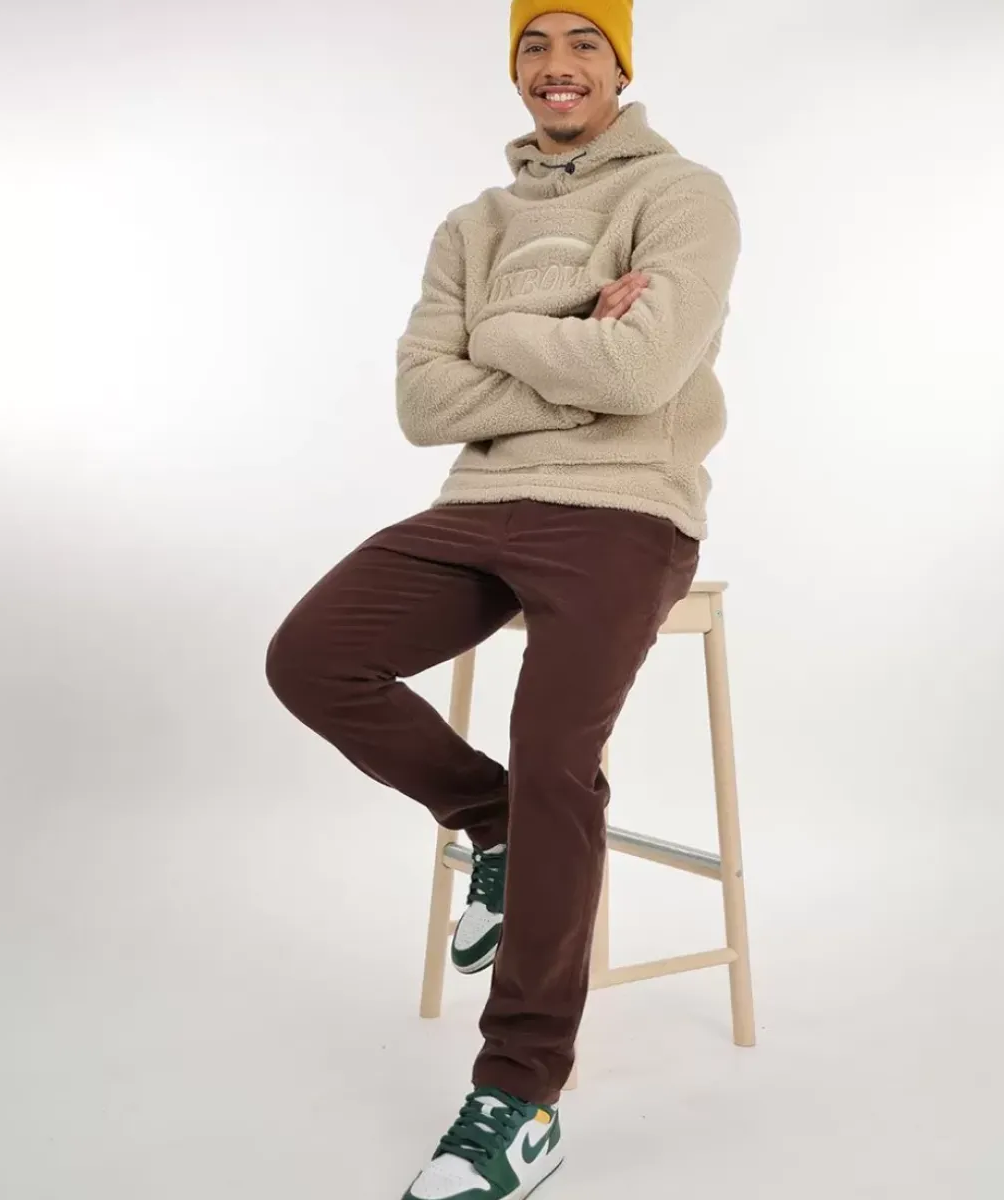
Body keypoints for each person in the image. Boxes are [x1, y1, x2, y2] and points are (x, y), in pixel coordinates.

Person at [265, 2, 740, 1195]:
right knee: (310, 658)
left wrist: (498, 334)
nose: (556, 66)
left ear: (620, 65)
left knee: (555, 755)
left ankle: (520, 1097)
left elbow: (644, 371)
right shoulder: (471, 224)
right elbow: (424, 405)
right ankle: (496, 824)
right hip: (476, 505)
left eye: (582, 43)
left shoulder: (684, 195)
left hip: (625, 508)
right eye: (535, 45)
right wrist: (575, 334)